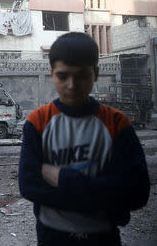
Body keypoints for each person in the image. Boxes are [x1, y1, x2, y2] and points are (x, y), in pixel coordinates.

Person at [18, 32, 150, 246]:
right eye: (63, 76)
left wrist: (63, 179)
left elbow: (137, 192)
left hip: (102, 238)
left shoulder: (117, 123)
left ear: (95, 73)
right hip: (53, 237)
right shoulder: (38, 122)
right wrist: (104, 196)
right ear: (52, 73)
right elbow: (28, 186)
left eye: (82, 75)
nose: (72, 85)